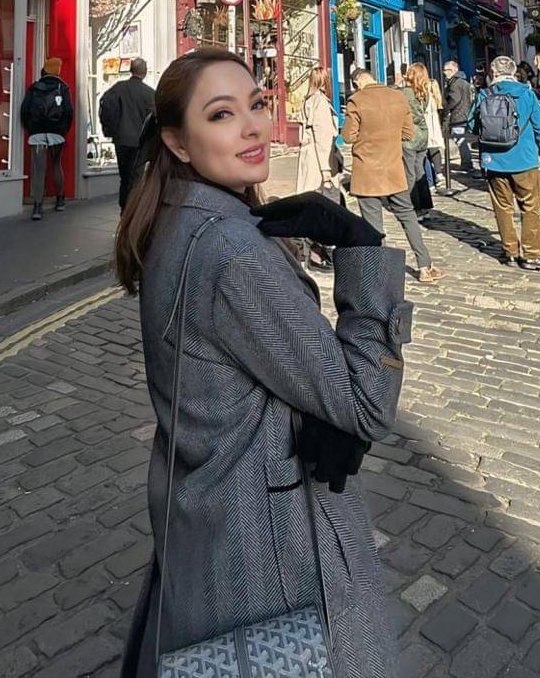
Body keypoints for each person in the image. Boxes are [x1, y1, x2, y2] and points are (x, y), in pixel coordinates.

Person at [115, 48, 412, 678]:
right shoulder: (231, 249)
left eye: (255, 105)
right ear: (178, 142)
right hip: (270, 543)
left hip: (207, 521)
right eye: (221, 114)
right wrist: (361, 246)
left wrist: (304, 411)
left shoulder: (177, 219)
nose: (253, 127)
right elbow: (366, 404)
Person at [341, 67, 444, 283]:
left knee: (373, 224)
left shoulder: (357, 101)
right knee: (407, 215)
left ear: (357, 83)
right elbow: (408, 133)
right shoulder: (398, 97)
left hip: (367, 170)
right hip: (393, 168)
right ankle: (425, 265)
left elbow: (348, 136)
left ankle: (381, 272)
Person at [468, 55, 540, 270]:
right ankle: (531, 254)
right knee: (530, 207)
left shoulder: (484, 94)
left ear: (493, 73)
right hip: (525, 159)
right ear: (513, 72)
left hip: (494, 161)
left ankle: (510, 251)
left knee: (502, 208)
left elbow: (473, 126)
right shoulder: (526, 94)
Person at [296, 66, 341, 268]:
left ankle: (310, 253)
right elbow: (323, 139)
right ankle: (315, 253)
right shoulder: (320, 102)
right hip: (318, 161)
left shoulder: (308, 100)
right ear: (325, 81)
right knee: (322, 207)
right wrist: (326, 171)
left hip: (308, 158)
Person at [20, 57, 74, 221]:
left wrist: (31, 128)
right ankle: (60, 200)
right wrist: (63, 130)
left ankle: (38, 206)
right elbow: (68, 112)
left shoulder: (34, 87)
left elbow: (24, 110)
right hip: (56, 133)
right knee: (56, 164)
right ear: (58, 70)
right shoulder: (63, 87)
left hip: (37, 133)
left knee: (39, 169)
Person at [99, 57, 156, 210]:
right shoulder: (149, 93)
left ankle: (124, 209)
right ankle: (132, 210)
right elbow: (156, 120)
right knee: (136, 177)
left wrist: (110, 130)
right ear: (144, 72)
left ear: (131, 70)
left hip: (121, 140)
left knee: (124, 177)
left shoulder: (118, 88)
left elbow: (105, 106)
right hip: (139, 143)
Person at [403, 63, 435, 218]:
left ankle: (415, 207)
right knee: (419, 171)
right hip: (423, 134)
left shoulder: (406, 92)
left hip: (410, 135)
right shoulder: (424, 92)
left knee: (409, 173)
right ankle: (425, 205)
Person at [441, 59, 474, 175]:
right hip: (464, 114)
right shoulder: (464, 82)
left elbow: (454, 99)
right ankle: (467, 162)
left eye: (446, 70)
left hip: (458, 116)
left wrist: (446, 108)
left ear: (452, 70)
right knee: (461, 139)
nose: (444, 73)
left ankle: (466, 163)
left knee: (460, 140)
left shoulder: (455, 83)